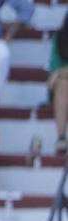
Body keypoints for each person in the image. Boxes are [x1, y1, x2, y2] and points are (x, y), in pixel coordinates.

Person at [48, 14, 68, 155]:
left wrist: (63, 71)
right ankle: (61, 137)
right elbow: (53, 78)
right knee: (62, 84)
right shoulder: (60, 38)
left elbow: (58, 72)